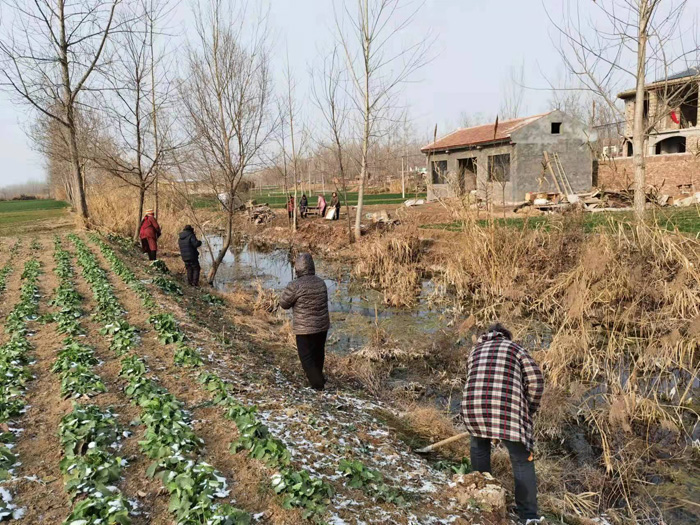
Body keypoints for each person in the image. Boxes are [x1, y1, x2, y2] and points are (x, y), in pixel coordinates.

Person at [461, 323, 544, 524]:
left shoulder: (475, 351)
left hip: (474, 407)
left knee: (479, 447)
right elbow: (536, 380)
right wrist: (528, 409)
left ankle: (483, 497)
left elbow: (471, 378)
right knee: (522, 459)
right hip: (507, 409)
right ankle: (528, 516)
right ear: (506, 336)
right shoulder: (515, 349)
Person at [279, 253, 330, 391]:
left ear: (297, 268)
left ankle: (318, 385)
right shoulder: (321, 283)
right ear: (312, 266)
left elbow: (284, 304)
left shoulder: (295, 285)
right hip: (322, 326)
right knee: (318, 353)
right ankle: (318, 376)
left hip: (304, 329)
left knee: (306, 357)